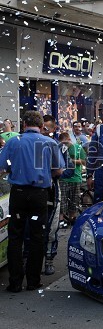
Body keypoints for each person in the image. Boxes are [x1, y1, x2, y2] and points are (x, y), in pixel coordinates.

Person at [0, 111, 64, 292]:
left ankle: (15, 282)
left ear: (23, 123)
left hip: (18, 193)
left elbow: (2, 167)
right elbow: (59, 171)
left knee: (15, 237)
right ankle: (33, 281)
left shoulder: (14, 142)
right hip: (39, 194)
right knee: (37, 237)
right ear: (41, 125)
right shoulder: (50, 143)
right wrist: (44, 174)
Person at [40, 115, 74, 275]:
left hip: (52, 190)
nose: (44, 131)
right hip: (33, 191)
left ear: (53, 129)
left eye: (48, 128)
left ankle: (49, 260)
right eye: (42, 127)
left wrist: (54, 174)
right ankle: (29, 261)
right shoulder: (33, 143)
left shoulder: (60, 147)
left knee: (51, 227)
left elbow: (69, 169)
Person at [58, 132, 86, 226]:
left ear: (69, 139)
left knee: (75, 200)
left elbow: (84, 161)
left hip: (76, 178)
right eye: (62, 143)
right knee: (62, 200)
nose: (64, 144)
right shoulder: (59, 148)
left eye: (65, 142)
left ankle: (72, 219)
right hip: (63, 178)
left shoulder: (78, 147)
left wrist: (71, 161)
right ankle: (61, 221)